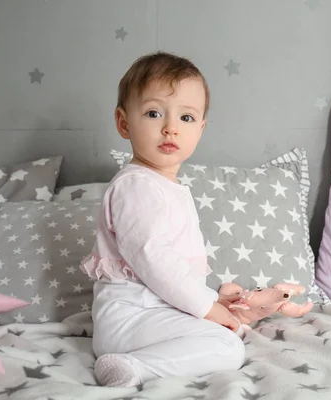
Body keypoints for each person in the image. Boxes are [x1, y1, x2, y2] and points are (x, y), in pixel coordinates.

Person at [80, 51, 245, 387]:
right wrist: (206, 307)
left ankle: (148, 358)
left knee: (233, 330)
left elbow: (175, 271)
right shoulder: (137, 186)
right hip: (130, 321)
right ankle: (133, 367)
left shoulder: (164, 185)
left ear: (200, 129)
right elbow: (154, 258)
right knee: (227, 346)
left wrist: (212, 301)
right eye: (154, 113)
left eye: (186, 118)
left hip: (154, 316)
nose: (170, 128)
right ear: (124, 123)